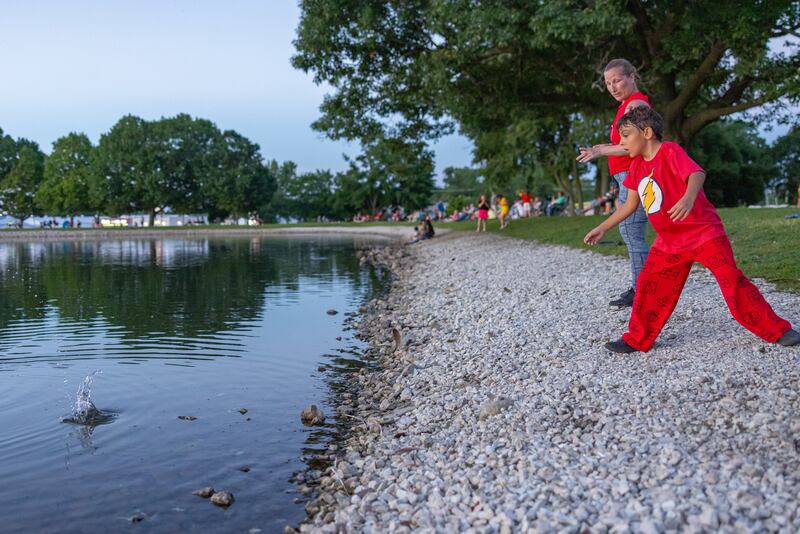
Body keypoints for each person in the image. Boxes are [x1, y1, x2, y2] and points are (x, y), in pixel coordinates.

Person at [583, 106, 799, 353]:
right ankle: (636, 338)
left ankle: (778, 330)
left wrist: (688, 197)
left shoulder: (670, 151)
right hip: (669, 242)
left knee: (732, 281)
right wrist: (602, 227)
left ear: (647, 133)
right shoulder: (636, 167)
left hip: (704, 234)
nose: (621, 143)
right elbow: (630, 205)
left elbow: (696, 173)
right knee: (649, 286)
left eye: (626, 136)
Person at [577, 58, 652, 309]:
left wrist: (601, 150)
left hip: (634, 174)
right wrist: (600, 148)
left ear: (632, 76)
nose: (612, 86)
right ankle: (642, 285)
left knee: (631, 229)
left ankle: (643, 288)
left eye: (617, 80)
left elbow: (632, 144)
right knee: (630, 230)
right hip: (625, 177)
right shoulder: (624, 107)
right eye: (608, 83)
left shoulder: (636, 104)